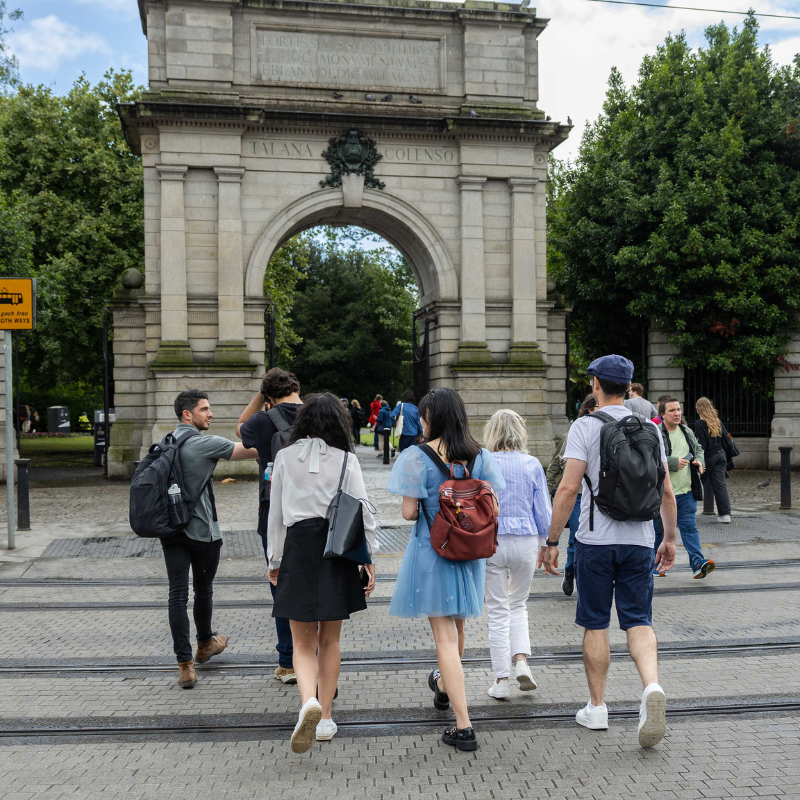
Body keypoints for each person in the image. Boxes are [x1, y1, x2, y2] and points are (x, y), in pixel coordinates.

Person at [543, 355, 678, 749]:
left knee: (596, 623)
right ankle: (651, 686)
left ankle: (597, 707)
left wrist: (552, 542)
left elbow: (568, 489)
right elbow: (666, 491)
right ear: (630, 386)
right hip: (639, 540)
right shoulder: (653, 429)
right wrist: (668, 539)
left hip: (594, 541)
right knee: (639, 620)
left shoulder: (584, 426)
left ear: (597, 384)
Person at [387, 388, 505, 752]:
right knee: (458, 628)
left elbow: (408, 513)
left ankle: (463, 725)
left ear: (429, 418)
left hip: (433, 552)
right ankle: (443, 686)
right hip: (469, 554)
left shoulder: (416, 456)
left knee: (443, 639)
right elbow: (495, 508)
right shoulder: (480, 455)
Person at [267, 392, 377, 752]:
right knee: (330, 640)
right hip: (336, 551)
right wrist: (369, 558)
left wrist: (274, 560)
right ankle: (326, 717)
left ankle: (307, 703)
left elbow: (276, 514)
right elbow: (363, 510)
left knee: (301, 642)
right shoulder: (346, 459)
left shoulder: (283, 456)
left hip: (297, 546)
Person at [164, 390, 258, 689]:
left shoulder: (164, 442)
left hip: (170, 530)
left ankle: (185, 666)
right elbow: (250, 449)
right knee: (203, 590)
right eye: (205, 409)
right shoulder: (205, 443)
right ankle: (204, 644)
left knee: (177, 595)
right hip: (202, 531)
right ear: (187, 415)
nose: (211, 414)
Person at [236, 368, 304, 685]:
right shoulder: (318, 415)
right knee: (314, 582)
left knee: (280, 584)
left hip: (274, 514)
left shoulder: (263, 421)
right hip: (316, 515)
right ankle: (315, 655)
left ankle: (288, 662)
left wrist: (260, 398)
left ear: (268, 397)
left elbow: (239, 428)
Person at [483, 409, 551, 700]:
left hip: (491, 540)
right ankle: (522, 661)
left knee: (498, 610)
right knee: (518, 605)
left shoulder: (483, 464)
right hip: (525, 540)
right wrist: (546, 542)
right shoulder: (532, 464)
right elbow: (543, 510)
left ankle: (501, 679)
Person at [655, 398, 715, 579]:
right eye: (672, 410)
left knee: (689, 528)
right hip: (663, 495)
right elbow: (651, 459)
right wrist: (673, 462)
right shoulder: (656, 433)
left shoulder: (686, 430)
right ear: (662, 415)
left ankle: (698, 563)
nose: (677, 414)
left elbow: (698, 449)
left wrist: (698, 461)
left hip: (686, 492)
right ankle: (655, 564)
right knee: (660, 531)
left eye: (678, 410)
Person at [546, 394, 597, 596]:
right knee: (577, 537)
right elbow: (554, 465)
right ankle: (571, 573)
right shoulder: (575, 432)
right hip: (577, 497)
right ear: (590, 409)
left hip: (598, 498)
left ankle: (586, 577)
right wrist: (549, 490)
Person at [693, 397, 732, 524]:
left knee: (695, 482)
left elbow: (701, 446)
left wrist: (698, 460)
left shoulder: (699, 424)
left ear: (698, 408)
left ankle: (687, 512)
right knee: (720, 485)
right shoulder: (716, 421)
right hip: (721, 456)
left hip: (708, 457)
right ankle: (725, 515)